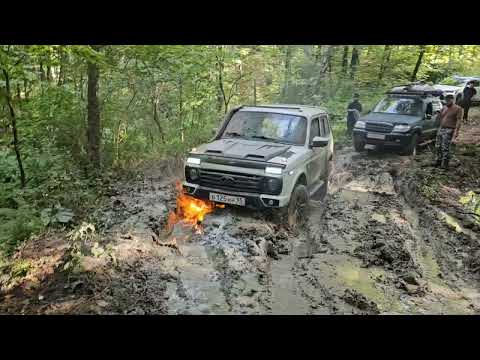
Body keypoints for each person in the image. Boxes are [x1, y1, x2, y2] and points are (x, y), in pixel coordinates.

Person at [434, 94, 463, 170]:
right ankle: (438, 161)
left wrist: (456, 133)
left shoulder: (458, 108)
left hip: (449, 130)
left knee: (445, 147)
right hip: (441, 128)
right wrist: (438, 114)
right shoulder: (444, 107)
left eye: (448, 100)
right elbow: (440, 117)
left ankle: (445, 165)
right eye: (445, 100)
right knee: (437, 146)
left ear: (452, 100)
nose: (446, 102)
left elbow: (459, 121)